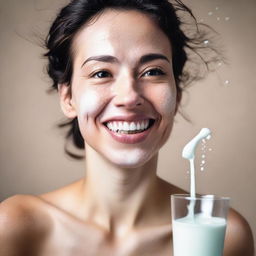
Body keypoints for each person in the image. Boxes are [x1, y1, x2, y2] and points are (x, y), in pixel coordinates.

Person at [0, 0, 254, 255]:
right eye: (101, 73)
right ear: (68, 98)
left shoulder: (225, 235)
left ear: (176, 96)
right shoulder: (16, 227)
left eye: (153, 71)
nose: (130, 96)